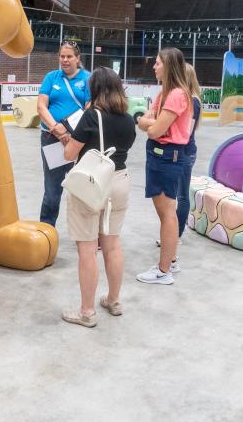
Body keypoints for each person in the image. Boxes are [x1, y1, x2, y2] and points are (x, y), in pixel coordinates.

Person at [60, 67, 136, 327]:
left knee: (88, 249)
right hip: (120, 182)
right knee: (113, 244)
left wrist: (66, 140)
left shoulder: (92, 116)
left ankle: (86, 312)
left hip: (91, 185)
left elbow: (70, 155)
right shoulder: (127, 119)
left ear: (95, 89)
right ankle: (114, 300)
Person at [136, 47, 193, 285]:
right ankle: (170, 261)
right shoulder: (164, 94)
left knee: (167, 214)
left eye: (158, 63)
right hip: (160, 155)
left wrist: (147, 123)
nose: (154, 66)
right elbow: (148, 122)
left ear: (168, 66)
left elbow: (155, 130)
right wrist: (148, 122)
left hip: (166, 156)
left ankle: (163, 271)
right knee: (165, 213)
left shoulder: (176, 95)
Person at [37, 40, 90, 226]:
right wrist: (56, 128)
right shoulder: (51, 77)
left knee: (83, 190)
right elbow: (41, 106)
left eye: (69, 56)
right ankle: (46, 230)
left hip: (79, 142)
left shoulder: (88, 79)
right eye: (62, 56)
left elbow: (89, 110)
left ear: (78, 58)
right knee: (52, 191)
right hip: (51, 139)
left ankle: (87, 233)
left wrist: (70, 133)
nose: (65, 60)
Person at [174, 63, 202, 256]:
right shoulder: (188, 99)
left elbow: (186, 132)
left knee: (182, 195)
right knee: (178, 194)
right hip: (183, 151)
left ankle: (176, 235)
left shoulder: (192, 101)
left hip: (184, 152)